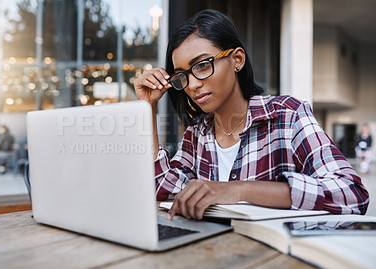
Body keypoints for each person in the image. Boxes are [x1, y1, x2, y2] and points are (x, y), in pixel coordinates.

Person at [134, 9, 369, 220]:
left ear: (237, 59)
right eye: (182, 75)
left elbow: (352, 193)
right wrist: (148, 108)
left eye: (202, 65)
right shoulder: (197, 134)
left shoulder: (288, 116)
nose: (192, 84)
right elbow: (161, 188)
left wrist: (239, 190)